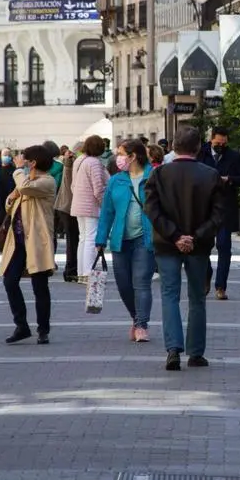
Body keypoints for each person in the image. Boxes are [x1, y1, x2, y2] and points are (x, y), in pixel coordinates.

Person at [144, 126, 225, 371]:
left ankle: (173, 349)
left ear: (174, 147)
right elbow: (219, 214)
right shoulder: (211, 175)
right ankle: (196, 352)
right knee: (197, 298)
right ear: (198, 147)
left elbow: (152, 210)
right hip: (198, 247)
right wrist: (194, 237)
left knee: (169, 295)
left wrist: (175, 235)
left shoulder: (159, 175)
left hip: (167, 244)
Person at [96, 139, 157, 342]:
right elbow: (107, 211)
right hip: (120, 239)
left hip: (145, 238)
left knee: (141, 282)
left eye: (121, 153)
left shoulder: (154, 176)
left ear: (133, 156)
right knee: (124, 285)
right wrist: (101, 238)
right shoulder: (116, 180)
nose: (117, 157)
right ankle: (136, 317)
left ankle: (141, 325)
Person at [0, 146, 58, 345]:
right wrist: (11, 197)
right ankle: (21, 325)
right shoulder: (27, 181)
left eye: (25, 159)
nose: (20, 161)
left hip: (36, 241)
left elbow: (23, 189)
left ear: (32, 162)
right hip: (17, 241)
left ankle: (43, 329)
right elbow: (10, 203)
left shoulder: (47, 182)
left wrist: (18, 170)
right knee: (10, 281)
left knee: (39, 286)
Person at [197, 126, 240, 300]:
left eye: (224, 143)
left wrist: (230, 179)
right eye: (217, 142)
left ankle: (221, 286)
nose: (220, 145)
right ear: (211, 139)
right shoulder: (200, 154)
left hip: (225, 208)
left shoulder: (234, 156)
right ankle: (206, 274)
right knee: (203, 246)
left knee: (224, 246)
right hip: (204, 209)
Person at [71, 135, 109, 282]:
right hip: (91, 205)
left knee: (83, 238)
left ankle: (82, 272)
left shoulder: (80, 160)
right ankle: (88, 272)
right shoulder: (94, 163)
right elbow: (98, 188)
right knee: (91, 239)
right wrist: (104, 204)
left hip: (79, 204)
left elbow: (73, 184)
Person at [55, 141, 81, 283]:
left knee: (74, 240)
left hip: (66, 205)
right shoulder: (71, 164)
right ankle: (71, 270)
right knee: (74, 240)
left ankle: (72, 269)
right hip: (69, 206)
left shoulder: (70, 163)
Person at [43, 140, 64, 257]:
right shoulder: (61, 166)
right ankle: (51, 259)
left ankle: (43, 259)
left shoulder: (40, 166)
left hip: (42, 202)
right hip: (56, 202)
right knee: (53, 232)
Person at [0, 148, 16, 229]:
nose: (6, 157)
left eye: (8, 155)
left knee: (9, 225)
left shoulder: (14, 170)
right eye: (4, 155)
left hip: (10, 201)